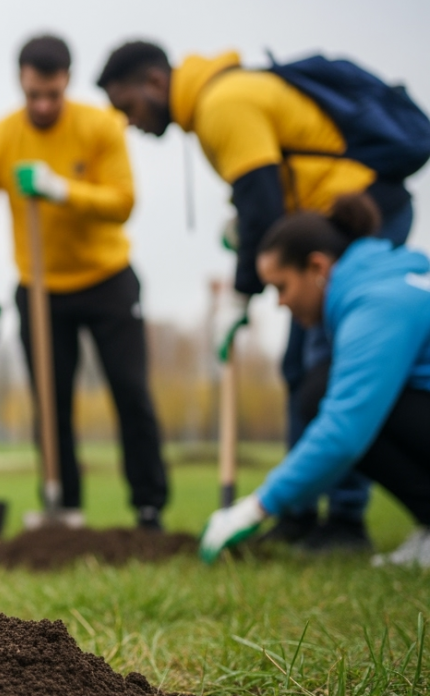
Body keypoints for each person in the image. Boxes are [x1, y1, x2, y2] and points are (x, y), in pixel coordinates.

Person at [97, 41, 421, 553]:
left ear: (155, 83)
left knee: (329, 375)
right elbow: (264, 201)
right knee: (302, 371)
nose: (128, 122)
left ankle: (341, 519)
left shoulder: (223, 105)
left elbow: (262, 203)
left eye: (127, 106)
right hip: (321, 228)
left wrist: (242, 295)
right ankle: (300, 513)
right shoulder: (216, 106)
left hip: (356, 217)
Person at [0, 35, 169, 530]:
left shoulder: (100, 126)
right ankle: (64, 506)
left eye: (53, 94)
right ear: (21, 83)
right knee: (51, 404)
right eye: (34, 94)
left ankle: (148, 505)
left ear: (67, 82)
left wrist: (61, 189)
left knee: (130, 391)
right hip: (39, 289)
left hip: (108, 280)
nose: (44, 105)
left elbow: (123, 202)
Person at [199, 194, 430, 568]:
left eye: (281, 287)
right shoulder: (381, 284)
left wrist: (256, 507)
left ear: (318, 267)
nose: (280, 303)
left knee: (328, 398)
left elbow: (343, 433)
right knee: (324, 389)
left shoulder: (378, 305)